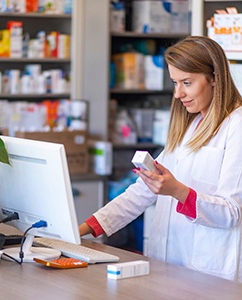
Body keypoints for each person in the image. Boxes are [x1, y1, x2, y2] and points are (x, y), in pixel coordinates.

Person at [79, 36, 242, 282]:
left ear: (215, 79)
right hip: (169, 266)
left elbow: (231, 212)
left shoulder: (237, 126)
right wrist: (81, 230)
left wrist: (177, 190)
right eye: (175, 83)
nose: (178, 94)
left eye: (187, 82)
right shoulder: (192, 124)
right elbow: (142, 192)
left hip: (208, 273)